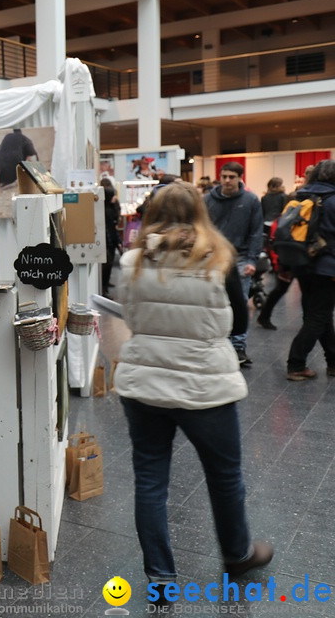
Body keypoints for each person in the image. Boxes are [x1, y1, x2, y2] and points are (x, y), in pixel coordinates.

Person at [115, 182, 273, 598]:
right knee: (224, 477)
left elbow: (129, 316)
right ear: (201, 212)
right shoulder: (218, 258)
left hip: (143, 382)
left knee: (150, 480)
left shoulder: (132, 259)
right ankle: (237, 555)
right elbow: (239, 322)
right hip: (205, 387)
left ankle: (161, 578)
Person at [204, 162, 263, 367]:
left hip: (240, 258)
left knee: (239, 302)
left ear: (239, 178)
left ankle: (238, 347)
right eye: (224, 176)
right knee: (212, 302)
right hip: (212, 258)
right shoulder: (208, 200)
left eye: (231, 177)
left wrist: (252, 260)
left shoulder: (251, 200)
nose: (227, 180)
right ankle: (216, 343)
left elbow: (256, 232)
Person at [285, 159, 335, 381]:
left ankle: (333, 362)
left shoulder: (300, 196)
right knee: (318, 316)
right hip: (327, 266)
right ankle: (296, 364)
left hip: (303, 264)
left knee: (319, 315)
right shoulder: (333, 200)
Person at [100, 177, 121, 295]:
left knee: (109, 265)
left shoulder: (109, 208)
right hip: (108, 241)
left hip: (110, 240)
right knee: (107, 265)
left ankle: (105, 287)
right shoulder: (106, 210)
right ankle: (104, 288)